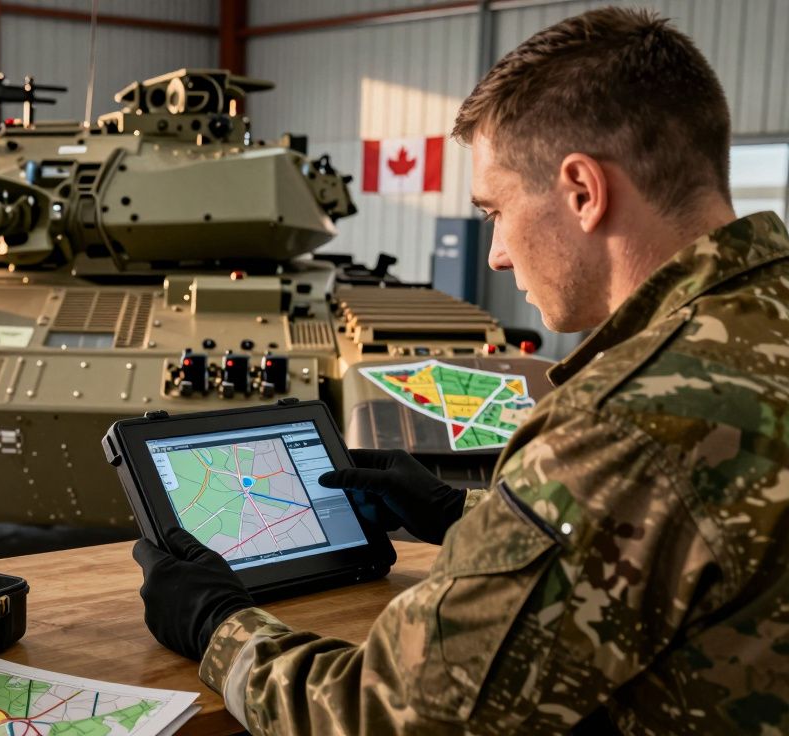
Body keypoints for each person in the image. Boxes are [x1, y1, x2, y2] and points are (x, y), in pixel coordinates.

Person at [133, 6, 789, 734]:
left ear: (582, 191)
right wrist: (469, 518)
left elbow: (394, 716)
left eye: (495, 210)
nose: (497, 256)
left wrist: (217, 624)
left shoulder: (627, 421)